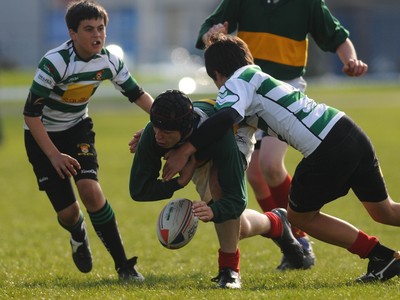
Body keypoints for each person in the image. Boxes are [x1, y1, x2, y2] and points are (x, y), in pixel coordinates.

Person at [162, 34, 400, 283]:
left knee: (300, 218)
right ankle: (383, 258)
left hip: (325, 147)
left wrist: (185, 150)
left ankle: (380, 255)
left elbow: (225, 117)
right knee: (385, 212)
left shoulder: (235, 82)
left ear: (218, 74)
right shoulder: (255, 76)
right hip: (348, 130)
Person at [195, 0, 368, 270]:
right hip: (246, 91)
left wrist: (351, 61)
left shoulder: (307, 4)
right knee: (254, 174)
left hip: (281, 91)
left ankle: (301, 238)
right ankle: (288, 240)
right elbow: (209, 29)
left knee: (271, 166)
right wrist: (211, 32)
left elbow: (336, 35)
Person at [23, 0, 153, 281]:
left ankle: (124, 267)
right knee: (69, 214)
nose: (97, 35)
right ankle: (77, 232)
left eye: (101, 28)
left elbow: (137, 95)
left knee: (91, 192)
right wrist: (54, 155)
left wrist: (166, 122)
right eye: (89, 29)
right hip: (41, 135)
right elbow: (31, 115)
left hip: (77, 129)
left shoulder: (109, 60)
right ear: (72, 33)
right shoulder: (55, 63)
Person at [129, 89, 306, 289]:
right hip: (198, 150)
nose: (159, 137)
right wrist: (178, 182)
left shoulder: (221, 136)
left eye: (167, 133)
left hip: (236, 131)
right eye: (155, 129)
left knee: (221, 193)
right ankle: (275, 223)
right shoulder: (154, 133)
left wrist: (214, 210)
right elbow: (139, 190)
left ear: (184, 130)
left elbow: (237, 200)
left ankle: (229, 270)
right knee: (235, 227)